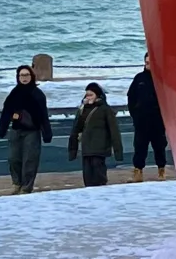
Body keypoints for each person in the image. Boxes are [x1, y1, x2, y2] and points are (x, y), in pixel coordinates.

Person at [0, 64, 52, 194]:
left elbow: (43, 115)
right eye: (21, 75)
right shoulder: (14, 93)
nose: (24, 78)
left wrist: (47, 133)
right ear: (18, 77)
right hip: (16, 131)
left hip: (32, 132)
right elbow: (6, 112)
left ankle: (26, 187)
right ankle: (17, 183)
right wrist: (1, 128)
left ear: (31, 76)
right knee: (13, 158)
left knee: (30, 160)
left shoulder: (38, 94)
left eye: (26, 75)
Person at [67, 82, 124, 187]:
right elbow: (75, 129)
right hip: (86, 148)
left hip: (100, 148)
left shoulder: (105, 109)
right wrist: (72, 150)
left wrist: (118, 151)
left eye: (91, 95)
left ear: (97, 95)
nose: (88, 97)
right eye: (87, 95)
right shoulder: (82, 109)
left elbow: (114, 130)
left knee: (99, 175)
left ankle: (100, 192)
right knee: (87, 176)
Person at [127, 51, 167, 182]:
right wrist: (135, 115)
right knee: (139, 147)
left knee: (159, 147)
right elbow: (131, 98)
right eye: (146, 62)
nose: (148, 64)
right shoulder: (139, 78)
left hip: (158, 120)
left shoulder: (161, 78)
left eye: (150, 62)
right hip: (142, 121)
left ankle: (161, 171)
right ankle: (138, 173)